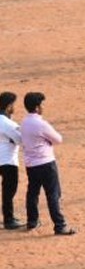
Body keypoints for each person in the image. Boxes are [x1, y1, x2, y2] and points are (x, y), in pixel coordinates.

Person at [20, 92, 76, 235]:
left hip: (31, 164)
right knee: (53, 194)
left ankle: (32, 221)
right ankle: (59, 225)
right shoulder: (41, 124)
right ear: (37, 107)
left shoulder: (24, 122)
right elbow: (58, 139)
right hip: (46, 162)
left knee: (32, 193)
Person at [0, 92, 23, 230]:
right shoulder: (7, 123)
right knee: (9, 190)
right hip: (7, 160)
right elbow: (20, 139)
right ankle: (9, 219)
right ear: (8, 106)